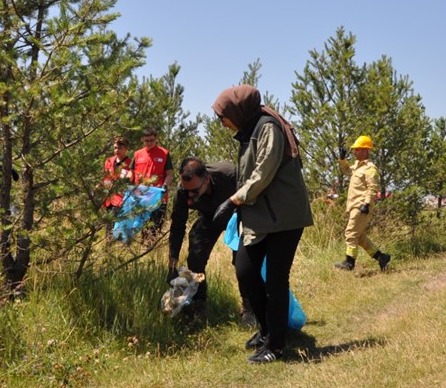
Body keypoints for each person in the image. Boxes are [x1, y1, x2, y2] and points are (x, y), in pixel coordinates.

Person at [211, 85, 313, 364]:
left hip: (284, 217)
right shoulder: (249, 129)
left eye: (223, 116)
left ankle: (276, 345)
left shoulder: (267, 127)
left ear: (237, 110)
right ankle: (266, 330)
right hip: (260, 217)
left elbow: (263, 171)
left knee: (276, 282)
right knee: (246, 272)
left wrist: (233, 201)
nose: (222, 122)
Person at [167, 157, 253, 322]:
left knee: (243, 261)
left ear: (206, 179)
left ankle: (249, 307)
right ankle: (199, 306)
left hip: (237, 216)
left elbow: (252, 196)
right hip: (209, 218)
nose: (190, 194)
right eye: (187, 190)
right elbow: (177, 226)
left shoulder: (230, 175)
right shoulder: (183, 190)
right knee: (195, 258)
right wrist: (173, 262)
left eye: (195, 190)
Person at [334, 135, 391, 272]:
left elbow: (372, 188)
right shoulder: (357, 167)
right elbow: (346, 171)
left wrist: (366, 204)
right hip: (354, 206)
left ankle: (349, 263)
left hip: (361, 206)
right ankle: (381, 257)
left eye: (358, 149)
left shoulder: (370, 168)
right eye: (354, 149)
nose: (355, 152)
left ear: (366, 150)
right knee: (359, 237)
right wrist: (342, 160)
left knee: (350, 233)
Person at [130, 127, 174, 234]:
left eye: (152, 140)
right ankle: (142, 248)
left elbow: (170, 174)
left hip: (157, 195)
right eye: (146, 141)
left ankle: (151, 247)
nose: (149, 143)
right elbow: (131, 173)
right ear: (142, 140)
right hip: (141, 196)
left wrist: (165, 185)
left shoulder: (164, 153)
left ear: (156, 139)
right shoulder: (137, 154)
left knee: (154, 227)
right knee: (140, 226)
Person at [101, 136, 133, 212]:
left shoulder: (131, 164)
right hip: (108, 199)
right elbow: (105, 178)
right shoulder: (108, 161)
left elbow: (132, 183)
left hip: (121, 201)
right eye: (115, 148)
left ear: (126, 148)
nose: (117, 150)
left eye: (120, 148)